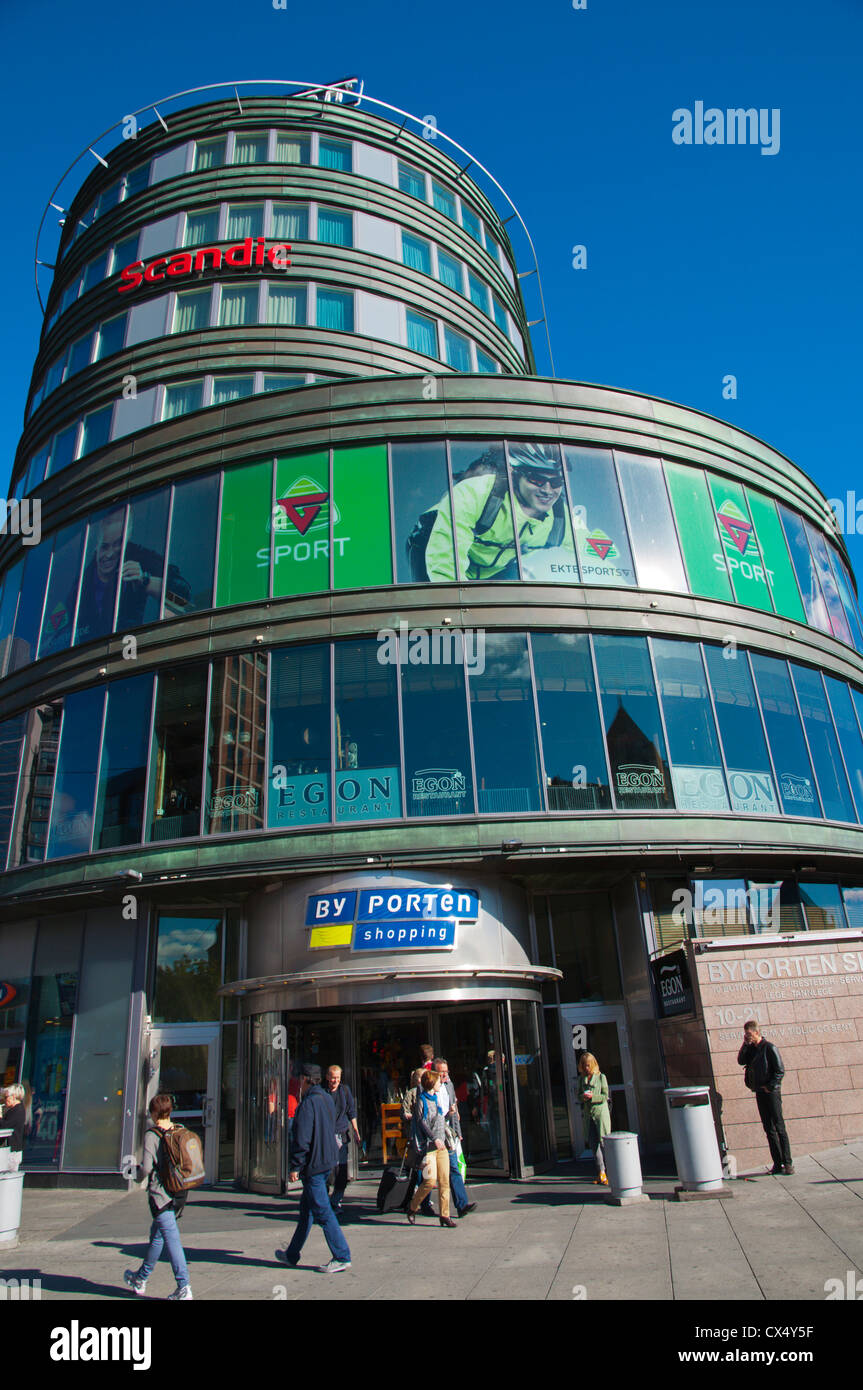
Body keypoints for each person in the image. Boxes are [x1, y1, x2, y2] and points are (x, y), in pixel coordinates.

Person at [421, 447, 573, 582]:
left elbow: (590, 549)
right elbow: (445, 562)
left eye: (556, 482)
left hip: (494, 569)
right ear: (514, 474)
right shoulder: (474, 494)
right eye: (537, 479)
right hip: (432, 548)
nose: (547, 490)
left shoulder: (561, 518)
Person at [276, 1063, 352, 1273]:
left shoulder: (308, 1103)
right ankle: (291, 1254)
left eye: (300, 1079)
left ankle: (341, 1255)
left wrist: (295, 1166)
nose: (298, 1083)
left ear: (306, 1080)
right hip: (327, 1160)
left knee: (322, 1211)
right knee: (306, 1212)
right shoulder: (326, 1098)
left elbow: (302, 1138)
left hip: (314, 1165)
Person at [124, 1093, 193, 1300]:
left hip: (160, 1195)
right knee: (158, 1236)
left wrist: (132, 1173)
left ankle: (184, 1285)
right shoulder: (180, 1129)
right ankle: (141, 1277)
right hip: (179, 1192)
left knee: (171, 1239)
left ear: (154, 1113)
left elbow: (146, 1168)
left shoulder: (152, 1135)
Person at [737, 1019, 794, 1175]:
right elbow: (741, 1060)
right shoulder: (752, 1049)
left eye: (749, 1034)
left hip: (771, 1092)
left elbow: (780, 1070)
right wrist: (745, 1045)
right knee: (768, 1129)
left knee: (779, 1126)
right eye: (745, 1034)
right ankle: (777, 1163)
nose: (747, 1036)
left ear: (756, 1032)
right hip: (759, 1092)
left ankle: (788, 1163)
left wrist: (770, 1087)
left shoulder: (769, 1048)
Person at [406, 1070, 456, 1228]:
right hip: (429, 1148)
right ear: (431, 1083)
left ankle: (445, 1215)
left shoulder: (436, 1098)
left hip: (441, 1146)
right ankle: (413, 1207)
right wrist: (434, 1138)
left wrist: (449, 1115)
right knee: (430, 1180)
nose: (440, 1082)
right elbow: (422, 1122)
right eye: (438, 1080)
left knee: (444, 1181)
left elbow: (439, 1120)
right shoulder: (422, 1100)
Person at [433, 1058, 476, 1218]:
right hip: (434, 1135)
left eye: (446, 1071)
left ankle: (461, 1204)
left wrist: (458, 1132)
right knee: (427, 1176)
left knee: (453, 1169)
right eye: (441, 1071)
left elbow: (454, 1110)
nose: (444, 1074)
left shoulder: (450, 1086)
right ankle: (418, 1204)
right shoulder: (429, 1088)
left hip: (448, 1134)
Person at [326, 1064, 361, 1212]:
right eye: (333, 1078)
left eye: (338, 1078)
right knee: (328, 1168)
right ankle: (326, 1199)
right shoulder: (323, 1093)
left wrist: (355, 1130)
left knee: (341, 1169)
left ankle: (336, 1199)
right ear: (327, 1077)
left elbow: (351, 1111)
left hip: (341, 1133)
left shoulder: (344, 1091)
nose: (335, 1081)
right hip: (327, 1135)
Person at [578, 1052, 611, 1185]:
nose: (586, 1068)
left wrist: (593, 1097)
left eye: (588, 1065)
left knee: (604, 1142)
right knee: (593, 1143)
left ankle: (611, 1171)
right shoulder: (581, 1079)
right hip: (588, 1114)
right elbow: (578, 1095)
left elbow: (605, 1096)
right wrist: (583, 1097)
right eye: (584, 1065)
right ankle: (601, 1172)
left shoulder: (601, 1077)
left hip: (600, 1114)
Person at [0, 1084, 26, 1169]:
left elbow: (4, 1126)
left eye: (6, 1097)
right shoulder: (16, 1110)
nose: (4, 1100)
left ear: (13, 1096)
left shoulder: (17, 1110)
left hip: (12, 1152)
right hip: (12, 1150)